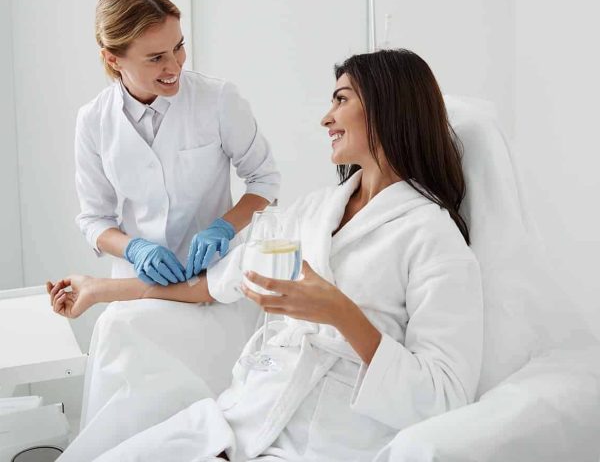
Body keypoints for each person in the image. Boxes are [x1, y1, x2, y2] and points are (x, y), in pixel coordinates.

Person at [50, 49, 483, 462]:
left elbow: (445, 396)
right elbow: (212, 285)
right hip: (241, 417)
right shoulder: (313, 212)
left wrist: (341, 314)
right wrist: (100, 289)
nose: (325, 117)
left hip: (326, 439)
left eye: (341, 99)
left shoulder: (432, 235)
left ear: (387, 107)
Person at [72, 0, 279, 441]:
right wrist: (136, 248)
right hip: (142, 282)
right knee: (125, 356)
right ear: (113, 58)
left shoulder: (218, 99)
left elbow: (265, 179)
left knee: (214, 415)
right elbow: (94, 219)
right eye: (156, 57)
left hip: (215, 283)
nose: (175, 66)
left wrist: (224, 227)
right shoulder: (94, 122)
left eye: (179, 48)